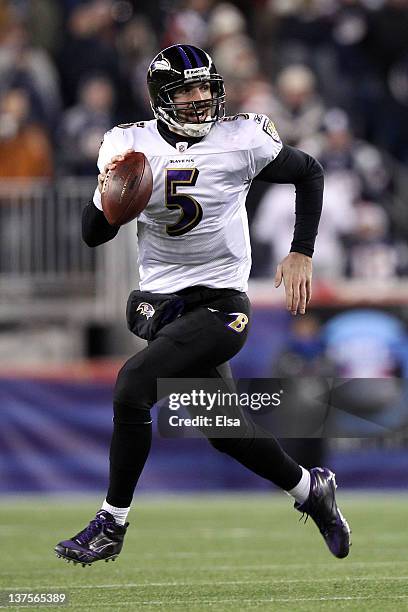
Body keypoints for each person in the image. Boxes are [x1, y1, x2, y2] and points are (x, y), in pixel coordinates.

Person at [54, 44, 351, 566]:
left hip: (221, 303)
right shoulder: (128, 145)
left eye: (206, 87)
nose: (200, 98)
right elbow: (91, 235)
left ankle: (111, 523)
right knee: (225, 429)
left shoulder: (241, 138)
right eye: (187, 90)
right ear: (160, 98)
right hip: (162, 300)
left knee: (131, 386)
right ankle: (311, 490)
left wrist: (301, 251)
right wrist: (114, 198)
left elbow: (310, 171)